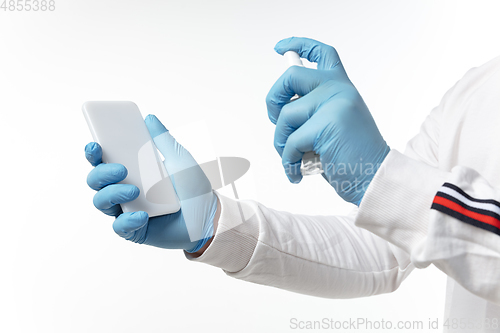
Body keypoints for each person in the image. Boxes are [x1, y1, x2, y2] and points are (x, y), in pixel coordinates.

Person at [84, 37, 500, 332]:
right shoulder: (477, 89)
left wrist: (381, 177)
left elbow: (416, 213)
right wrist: (216, 227)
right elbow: (389, 247)